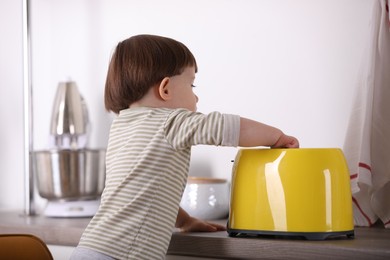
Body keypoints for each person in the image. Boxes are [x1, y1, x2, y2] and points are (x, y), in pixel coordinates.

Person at [70, 34, 299, 260]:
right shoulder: (170, 121)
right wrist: (276, 137)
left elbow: (144, 192)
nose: (196, 97)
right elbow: (227, 128)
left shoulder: (122, 126)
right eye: (191, 84)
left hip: (92, 247)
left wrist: (185, 220)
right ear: (166, 89)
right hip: (123, 254)